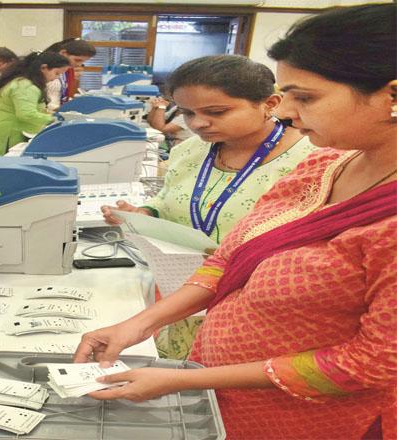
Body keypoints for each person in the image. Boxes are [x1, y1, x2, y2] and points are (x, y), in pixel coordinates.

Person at [74, 4, 396, 439]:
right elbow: (228, 258)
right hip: (217, 384)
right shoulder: (324, 165)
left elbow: (370, 364)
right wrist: (139, 325)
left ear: (392, 96)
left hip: (303, 420)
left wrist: (185, 380)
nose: (287, 113)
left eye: (306, 97)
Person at [103, 55, 317, 244]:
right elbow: (166, 198)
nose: (197, 124)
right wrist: (146, 213)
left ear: (270, 103)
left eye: (216, 112)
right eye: (187, 113)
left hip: (255, 282)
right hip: (180, 273)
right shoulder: (189, 150)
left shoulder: (312, 161)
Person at [0, 52, 70, 156]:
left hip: (10, 130)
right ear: (43, 68)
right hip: (8, 133)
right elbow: (26, 114)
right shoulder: (25, 86)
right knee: (2, 168)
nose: (57, 77)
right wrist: (55, 119)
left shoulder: (23, 82)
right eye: (57, 73)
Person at [44, 38, 96, 110]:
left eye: (83, 62)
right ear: (63, 53)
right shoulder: (47, 69)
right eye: (77, 60)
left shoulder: (67, 70)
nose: (79, 64)